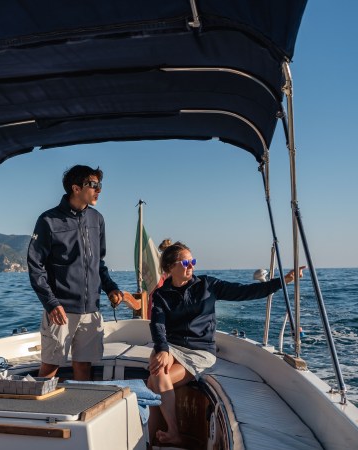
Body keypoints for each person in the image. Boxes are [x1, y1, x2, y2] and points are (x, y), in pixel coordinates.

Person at [147, 241, 305, 446]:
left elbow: (244, 291)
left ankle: (168, 434)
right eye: (185, 262)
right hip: (172, 347)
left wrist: (283, 281)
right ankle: (159, 437)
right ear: (170, 267)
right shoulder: (161, 294)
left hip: (199, 350)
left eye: (193, 261)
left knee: (155, 380)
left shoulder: (207, 285)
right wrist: (163, 348)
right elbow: (157, 324)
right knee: (157, 372)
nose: (191, 266)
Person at [27, 165, 124, 381]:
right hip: (61, 309)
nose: (99, 190)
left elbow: (99, 263)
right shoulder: (48, 220)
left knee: (83, 367)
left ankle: (82, 404)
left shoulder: (97, 219)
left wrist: (111, 288)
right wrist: (51, 303)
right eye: (93, 185)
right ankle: (40, 403)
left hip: (91, 309)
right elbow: (35, 266)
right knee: (50, 367)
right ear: (76, 188)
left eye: (100, 185)